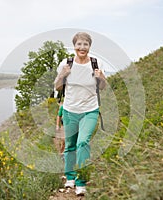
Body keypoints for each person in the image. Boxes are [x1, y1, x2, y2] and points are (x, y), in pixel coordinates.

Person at [54, 32, 106, 196]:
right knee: (70, 145)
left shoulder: (96, 63)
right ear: (74, 46)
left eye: (85, 44)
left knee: (82, 142)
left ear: (89, 46)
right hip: (70, 110)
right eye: (79, 44)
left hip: (90, 110)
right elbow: (57, 87)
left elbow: (103, 87)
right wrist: (62, 75)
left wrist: (101, 77)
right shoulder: (66, 63)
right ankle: (70, 176)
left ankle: (81, 181)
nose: (82, 47)